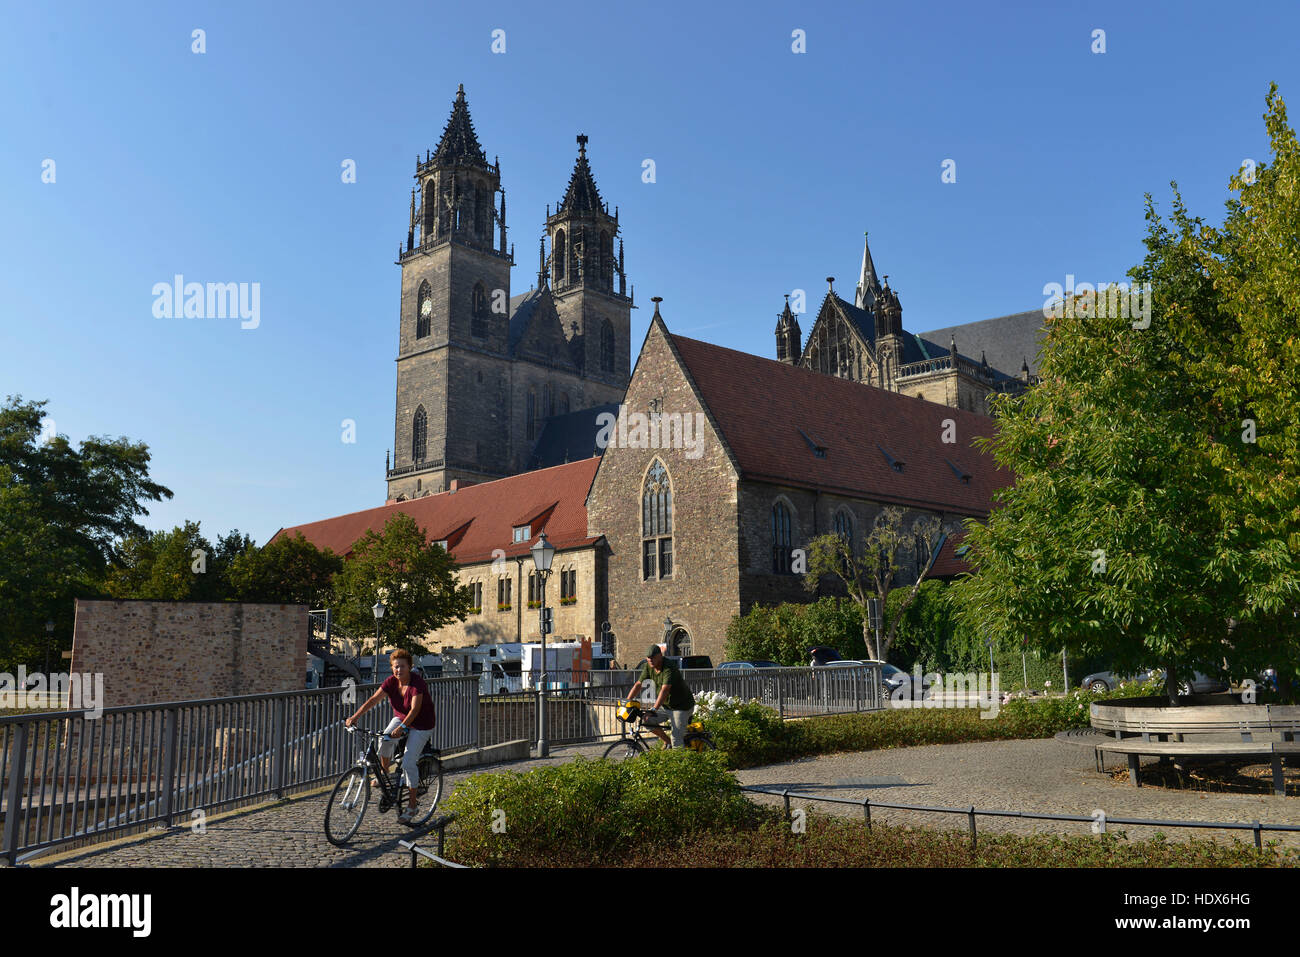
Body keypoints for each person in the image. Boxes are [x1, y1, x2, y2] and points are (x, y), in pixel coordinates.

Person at [345, 649, 436, 824]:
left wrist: (403, 727)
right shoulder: (391, 682)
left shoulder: (417, 684)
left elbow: (415, 710)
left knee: (409, 761)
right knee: (383, 740)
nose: (399, 670)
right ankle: (385, 771)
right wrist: (354, 717)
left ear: (409, 667)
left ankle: (412, 806)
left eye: (402, 666)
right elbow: (373, 700)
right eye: (396, 667)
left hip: (422, 724)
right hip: (401, 717)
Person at [625, 644, 695, 749]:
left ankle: (680, 763)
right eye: (648, 658)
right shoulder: (649, 667)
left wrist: (653, 709)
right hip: (666, 705)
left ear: (660, 656)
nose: (650, 660)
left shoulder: (668, 667)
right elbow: (638, 684)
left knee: (676, 739)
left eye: (653, 657)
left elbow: (665, 690)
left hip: (681, 706)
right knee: (647, 721)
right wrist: (627, 702)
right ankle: (667, 742)